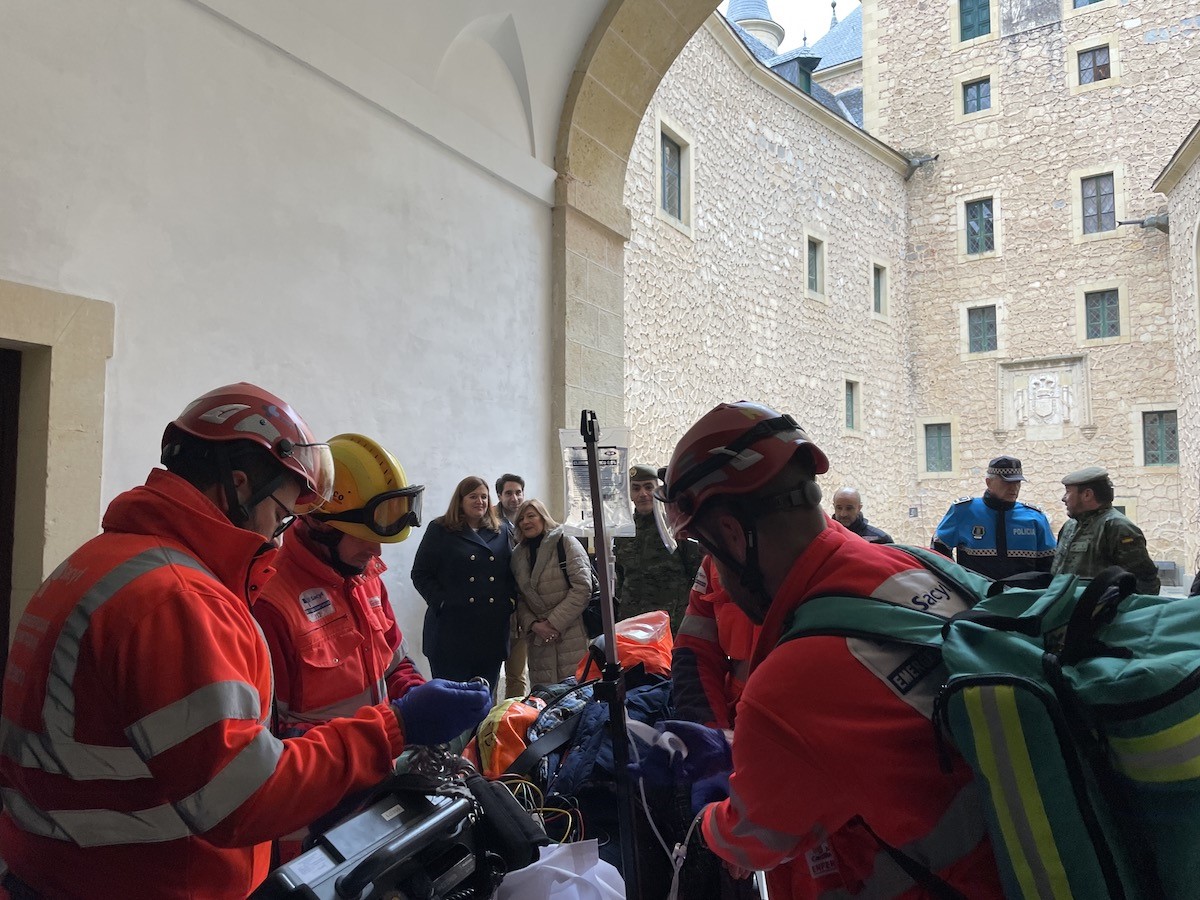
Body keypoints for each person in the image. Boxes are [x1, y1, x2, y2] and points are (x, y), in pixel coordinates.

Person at [0, 384, 492, 900]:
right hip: (146, 880)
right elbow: (242, 795)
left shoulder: (106, 563)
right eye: (281, 512)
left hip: (67, 872)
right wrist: (396, 727)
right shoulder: (176, 598)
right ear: (239, 485)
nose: (278, 535)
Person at [658, 401, 1004, 898]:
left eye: (709, 549)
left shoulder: (794, 681)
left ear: (732, 533)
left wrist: (707, 818)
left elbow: (750, 840)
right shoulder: (917, 564)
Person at [254, 433, 428, 737]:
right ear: (321, 524)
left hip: (381, 764)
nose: (377, 553)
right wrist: (388, 732)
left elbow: (394, 666)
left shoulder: (364, 575)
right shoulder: (270, 602)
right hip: (327, 780)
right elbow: (271, 737)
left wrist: (422, 699)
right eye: (366, 538)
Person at [412, 476, 516, 690]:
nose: (480, 501)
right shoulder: (440, 529)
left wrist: (509, 603)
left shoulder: (501, 530)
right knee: (452, 704)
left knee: (484, 702)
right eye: (473, 496)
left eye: (484, 497)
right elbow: (420, 573)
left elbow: (511, 572)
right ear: (460, 500)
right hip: (451, 632)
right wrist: (442, 602)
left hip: (491, 631)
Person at [931, 454, 1056, 579]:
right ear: (988, 482)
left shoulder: (1035, 518)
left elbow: (1049, 564)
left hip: (1022, 595)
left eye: (1017, 482)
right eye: (1006, 482)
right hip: (977, 595)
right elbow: (938, 550)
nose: (1014, 488)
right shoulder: (964, 511)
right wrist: (956, 579)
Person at [510, 499, 592, 687]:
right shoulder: (517, 555)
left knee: (575, 694)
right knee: (545, 699)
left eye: (531, 516)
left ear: (543, 517)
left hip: (570, 635)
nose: (526, 522)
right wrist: (534, 625)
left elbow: (582, 587)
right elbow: (519, 597)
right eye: (521, 518)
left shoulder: (565, 542)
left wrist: (552, 623)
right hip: (539, 640)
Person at [671, 555, 758, 731]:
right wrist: (710, 732)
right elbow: (694, 654)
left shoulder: (819, 557)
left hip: (794, 736)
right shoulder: (715, 562)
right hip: (732, 724)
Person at [614, 463, 703, 632]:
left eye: (649, 487)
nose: (643, 494)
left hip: (670, 623)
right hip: (632, 622)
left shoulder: (675, 527)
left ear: (658, 491)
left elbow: (697, 573)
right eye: (636, 488)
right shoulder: (623, 531)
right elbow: (620, 576)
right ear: (630, 494)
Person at [1052, 466, 1161, 594]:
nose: (1064, 498)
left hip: (1097, 609)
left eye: (1068, 492)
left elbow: (1145, 581)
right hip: (1066, 605)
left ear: (1087, 495)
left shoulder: (1118, 527)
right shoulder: (1070, 526)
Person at [494, 473, 529, 698]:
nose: (514, 498)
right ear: (499, 495)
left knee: (517, 673)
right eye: (509, 493)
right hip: (495, 607)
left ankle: (514, 719)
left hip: (522, 607)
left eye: (518, 492)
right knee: (489, 673)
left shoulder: (529, 520)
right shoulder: (489, 522)